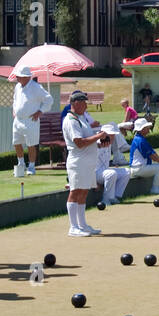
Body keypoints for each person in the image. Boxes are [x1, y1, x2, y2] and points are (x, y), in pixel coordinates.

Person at [63, 90, 108, 237]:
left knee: (83, 192)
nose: (86, 107)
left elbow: (87, 140)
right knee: (75, 192)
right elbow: (79, 143)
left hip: (87, 162)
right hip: (78, 162)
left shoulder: (81, 118)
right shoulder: (71, 121)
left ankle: (82, 225)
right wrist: (99, 136)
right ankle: (73, 227)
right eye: (83, 103)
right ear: (75, 103)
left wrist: (100, 143)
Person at [11, 65, 52, 176]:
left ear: (26, 77)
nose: (17, 78)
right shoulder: (17, 87)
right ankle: (21, 164)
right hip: (18, 120)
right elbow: (15, 100)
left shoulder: (36, 87)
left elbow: (49, 100)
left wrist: (40, 111)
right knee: (16, 143)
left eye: (19, 76)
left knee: (31, 144)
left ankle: (31, 167)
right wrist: (14, 111)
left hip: (30, 120)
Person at [128, 117, 159, 194]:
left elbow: (153, 153)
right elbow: (152, 156)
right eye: (147, 128)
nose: (149, 129)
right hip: (138, 168)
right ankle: (155, 189)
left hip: (139, 167)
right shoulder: (140, 140)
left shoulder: (140, 139)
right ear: (141, 129)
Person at [95, 123, 131, 207]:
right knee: (111, 173)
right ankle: (106, 199)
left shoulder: (108, 143)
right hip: (95, 173)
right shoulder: (96, 144)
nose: (112, 138)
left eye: (113, 135)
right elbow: (88, 164)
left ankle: (114, 196)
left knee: (127, 172)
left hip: (104, 172)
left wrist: (111, 167)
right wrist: (93, 181)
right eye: (110, 135)